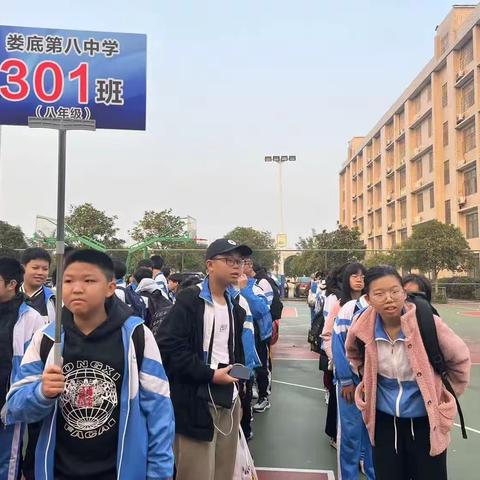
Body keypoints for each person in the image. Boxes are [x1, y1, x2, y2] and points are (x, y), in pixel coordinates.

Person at [5, 250, 175, 480]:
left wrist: (159, 473)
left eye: (88, 280)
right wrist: (41, 393)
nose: (76, 288)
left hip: (120, 472)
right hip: (57, 472)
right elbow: (15, 406)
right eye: (67, 281)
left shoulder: (137, 336)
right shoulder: (46, 339)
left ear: (110, 287)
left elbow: (160, 411)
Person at [346, 265, 471, 480]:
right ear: (368, 298)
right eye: (379, 293)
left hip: (426, 422)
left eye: (395, 291)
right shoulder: (361, 326)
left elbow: (460, 360)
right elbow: (353, 353)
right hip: (383, 422)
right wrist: (365, 379)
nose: (389, 299)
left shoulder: (426, 322)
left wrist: (442, 395)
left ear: (404, 292)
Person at [157, 239, 254, 480]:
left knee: (223, 471)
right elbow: (169, 347)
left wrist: (240, 390)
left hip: (228, 400)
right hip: (195, 402)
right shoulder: (190, 301)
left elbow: (235, 352)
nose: (237, 266)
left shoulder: (236, 307)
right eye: (229, 260)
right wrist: (210, 374)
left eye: (239, 261)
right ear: (210, 265)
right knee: (197, 472)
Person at [0, 257, 45, 480]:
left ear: (11, 284)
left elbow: (32, 368)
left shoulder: (31, 319)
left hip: (8, 408)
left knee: (7, 463)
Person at [331, 262, 374, 479]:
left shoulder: (381, 309)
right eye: (355, 276)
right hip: (351, 382)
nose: (360, 279)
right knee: (350, 434)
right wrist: (346, 380)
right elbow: (337, 345)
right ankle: (348, 475)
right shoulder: (349, 308)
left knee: (374, 434)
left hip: (376, 383)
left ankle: (373, 472)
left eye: (363, 276)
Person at [238, 258, 273, 437]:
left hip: (256, 338)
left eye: (243, 263)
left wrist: (244, 290)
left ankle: (262, 397)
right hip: (231, 352)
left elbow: (261, 309)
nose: (239, 266)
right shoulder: (223, 289)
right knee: (235, 385)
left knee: (256, 370)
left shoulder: (256, 287)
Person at [320, 264, 346, 448]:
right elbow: (327, 332)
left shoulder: (366, 302)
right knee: (338, 396)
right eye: (355, 276)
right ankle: (335, 434)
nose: (360, 279)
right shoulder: (336, 301)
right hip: (341, 361)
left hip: (359, 364)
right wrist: (334, 357)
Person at [20, 247, 55, 323]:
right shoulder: (9, 296)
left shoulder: (54, 299)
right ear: (23, 268)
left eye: (45, 269)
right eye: (35, 268)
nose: (40, 273)